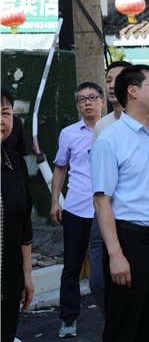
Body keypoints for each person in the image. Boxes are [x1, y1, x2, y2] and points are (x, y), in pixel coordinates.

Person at [90, 64, 149, 341]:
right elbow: (102, 202)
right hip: (131, 241)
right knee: (125, 326)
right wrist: (116, 255)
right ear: (133, 91)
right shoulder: (110, 140)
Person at [50, 82, 105, 338]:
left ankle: (116, 314)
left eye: (92, 97)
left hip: (109, 209)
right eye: (82, 99)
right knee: (71, 265)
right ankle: (69, 318)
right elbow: (60, 167)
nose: (88, 103)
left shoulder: (114, 129)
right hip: (76, 208)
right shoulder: (69, 133)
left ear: (102, 101)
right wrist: (55, 201)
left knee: (111, 264)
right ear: (77, 105)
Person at [89, 60, 132, 319]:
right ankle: (113, 326)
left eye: (119, 78)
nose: (112, 84)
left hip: (133, 220)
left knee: (130, 282)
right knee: (98, 281)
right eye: (108, 79)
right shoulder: (101, 126)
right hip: (103, 214)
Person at [1, 86, 34, 342]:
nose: (1, 120)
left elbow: (25, 226)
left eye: (5, 113)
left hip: (9, 283)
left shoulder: (16, 163)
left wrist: (27, 275)